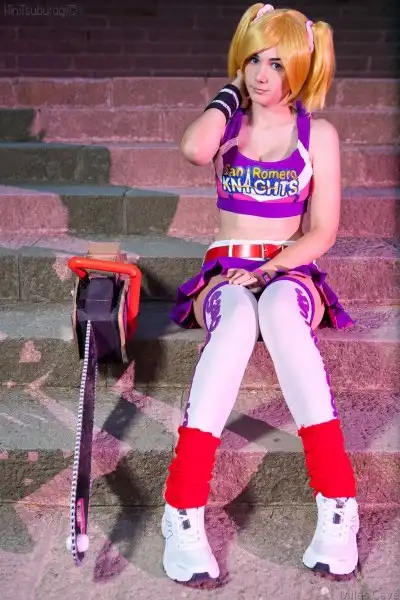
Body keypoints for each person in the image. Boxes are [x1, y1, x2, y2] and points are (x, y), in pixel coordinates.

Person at [161, 3, 359, 583]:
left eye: (276, 63)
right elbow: (194, 150)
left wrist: (273, 267)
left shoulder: (318, 134)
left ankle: (338, 504)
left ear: (300, 68)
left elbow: (322, 231)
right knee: (238, 319)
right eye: (252, 60)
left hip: (289, 270)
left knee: (276, 308)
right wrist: (228, 96)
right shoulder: (229, 124)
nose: (261, 74)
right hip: (226, 271)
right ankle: (182, 508)